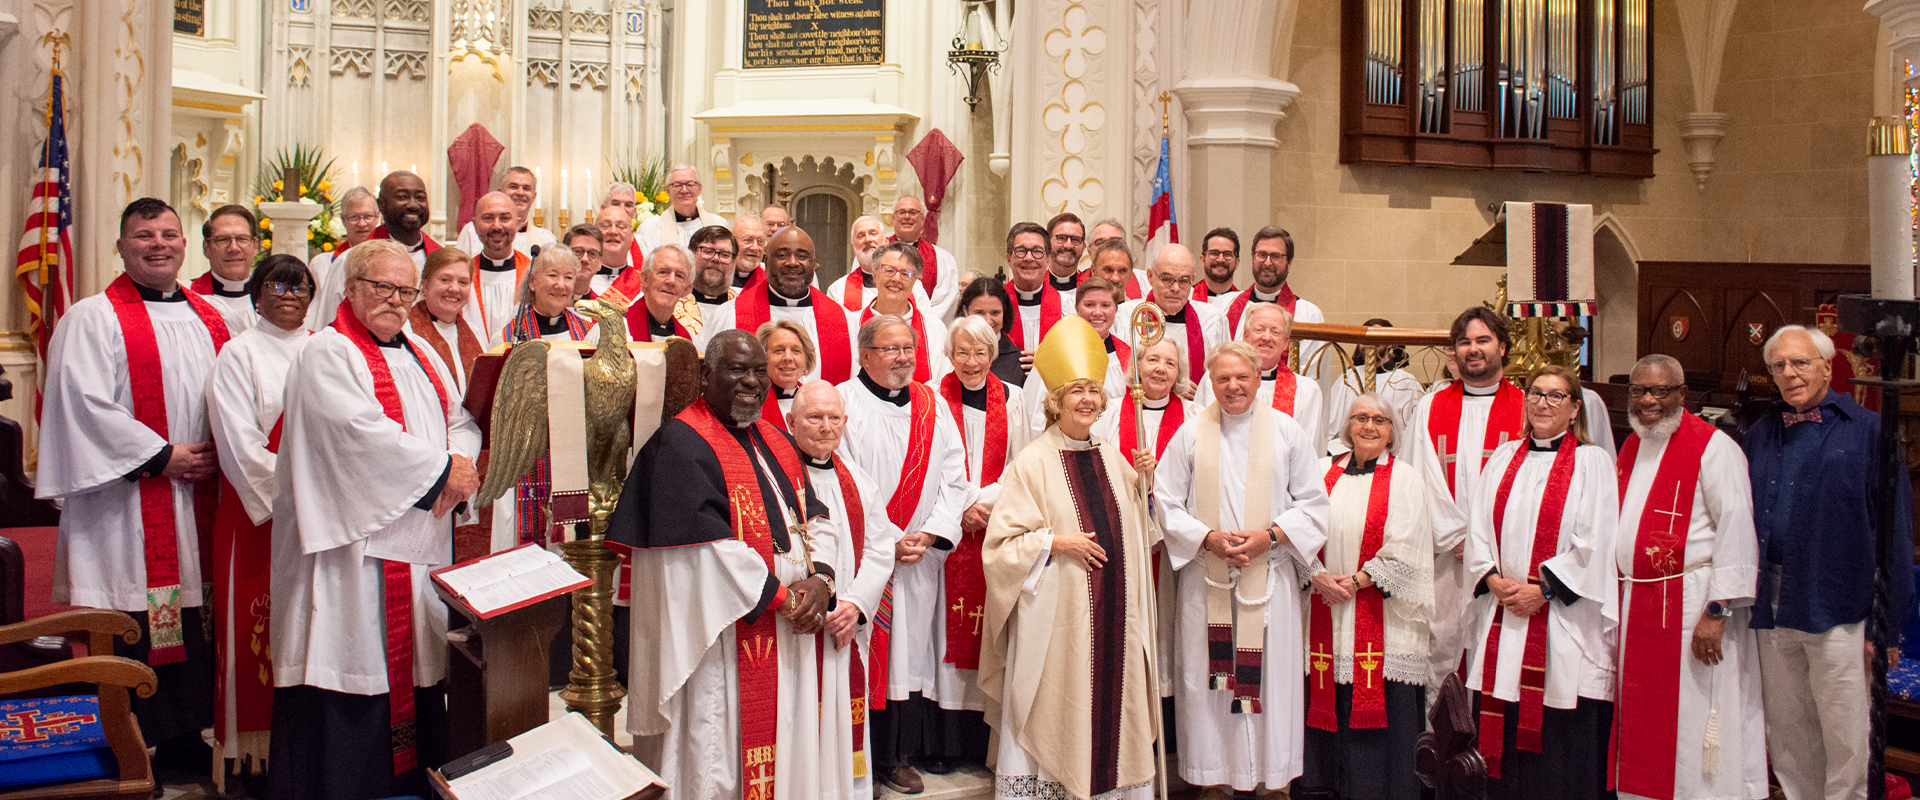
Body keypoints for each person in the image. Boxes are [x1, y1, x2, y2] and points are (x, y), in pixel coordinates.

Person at [268, 238, 481, 800]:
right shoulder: (327, 352)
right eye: (381, 287)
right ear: (351, 289)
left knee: (415, 667)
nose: (394, 300)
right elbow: (356, 437)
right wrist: (441, 471)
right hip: (351, 556)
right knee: (351, 659)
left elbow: (457, 418)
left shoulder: (420, 350)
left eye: (404, 290)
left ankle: (412, 781)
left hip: (416, 539)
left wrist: (457, 461)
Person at [38, 197, 232, 769]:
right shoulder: (92, 318)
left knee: (197, 621)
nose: (158, 244)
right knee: (139, 620)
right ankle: (131, 742)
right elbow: (83, 406)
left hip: (202, 495)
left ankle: (183, 740)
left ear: (184, 244)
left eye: (169, 233)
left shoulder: (210, 317)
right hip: (129, 503)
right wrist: (161, 456)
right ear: (120, 247)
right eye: (144, 235)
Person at [606, 329, 840, 798]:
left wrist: (822, 580)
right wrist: (783, 595)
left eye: (758, 371)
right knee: (718, 752)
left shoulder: (773, 438)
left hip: (788, 627)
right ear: (706, 375)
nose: (752, 382)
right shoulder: (680, 444)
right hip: (723, 634)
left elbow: (814, 515)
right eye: (737, 370)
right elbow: (702, 549)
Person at [979, 314, 1162, 800]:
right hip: (1058, 619)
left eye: (1093, 392)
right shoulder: (1033, 461)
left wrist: (1146, 486)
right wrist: (1057, 542)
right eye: (1076, 391)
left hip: (1115, 618)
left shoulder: (1113, 456)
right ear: (1057, 400)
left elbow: (1139, 535)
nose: (1086, 400)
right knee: (1061, 708)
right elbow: (1000, 548)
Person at [1744, 324, 1913, 800]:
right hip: (1771, 605)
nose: (1789, 374)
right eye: (1778, 366)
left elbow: (1895, 537)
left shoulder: (1870, 433)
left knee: (1845, 732)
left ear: (1826, 365)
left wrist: (1888, 629)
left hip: (1841, 604)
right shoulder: (1759, 433)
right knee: (1789, 728)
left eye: (1799, 362)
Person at [1158, 341, 1330, 798]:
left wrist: (1270, 537)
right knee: (1209, 687)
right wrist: (1208, 539)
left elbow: (1314, 503)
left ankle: (1274, 785)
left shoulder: (1287, 432)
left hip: (1268, 579)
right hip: (1208, 577)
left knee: (1272, 685)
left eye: (1242, 377)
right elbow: (1167, 502)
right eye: (1222, 378)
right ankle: (1213, 781)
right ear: (1209, 383)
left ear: (1259, 378)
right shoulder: (1191, 433)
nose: (1232, 386)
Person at [1611, 354, 1766, 800]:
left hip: (1692, 606)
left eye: (1660, 391)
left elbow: (1737, 528)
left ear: (1682, 394)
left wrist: (1717, 611)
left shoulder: (1715, 448)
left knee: (1698, 715)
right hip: (1638, 604)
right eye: (1639, 390)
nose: (1648, 401)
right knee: (1645, 717)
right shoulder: (1632, 446)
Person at [1461, 364, 1618, 800]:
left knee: (1559, 737)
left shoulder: (1592, 462)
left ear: (1574, 409)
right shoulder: (1504, 457)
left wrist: (1545, 589)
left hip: (1562, 623)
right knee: (1504, 729)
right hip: (1505, 613)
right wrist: (1490, 577)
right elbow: (1478, 529)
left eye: (1555, 396)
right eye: (1535, 393)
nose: (1542, 403)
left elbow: (1597, 540)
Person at [836, 315, 976, 795]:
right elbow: (845, 477)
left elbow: (955, 475)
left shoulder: (931, 404)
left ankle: (898, 755)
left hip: (920, 560)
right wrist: (888, 538)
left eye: (907, 349)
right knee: (865, 655)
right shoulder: (844, 403)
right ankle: (859, 755)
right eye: (890, 349)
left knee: (909, 659)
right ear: (865, 354)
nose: (901, 358)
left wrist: (933, 532)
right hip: (867, 559)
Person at [206, 253, 315, 776]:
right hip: (262, 516)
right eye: (278, 284)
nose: (290, 294)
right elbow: (238, 443)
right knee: (258, 637)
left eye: (300, 286)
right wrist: (296, 498)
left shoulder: (325, 350)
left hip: (322, 517)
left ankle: (305, 751)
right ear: (256, 293)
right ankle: (253, 760)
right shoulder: (237, 354)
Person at [1295, 395, 1434, 800]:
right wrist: (1316, 575)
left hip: (1380, 620)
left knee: (1380, 722)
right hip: (1323, 613)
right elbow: (1297, 528)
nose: (1369, 426)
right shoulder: (1320, 472)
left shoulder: (1405, 477)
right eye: (1360, 418)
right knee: (1325, 708)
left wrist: (1355, 582)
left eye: (1380, 420)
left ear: (1393, 430)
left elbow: (1407, 544)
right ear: (1346, 425)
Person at [790, 380, 901, 799]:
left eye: (834, 418)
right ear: (791, 421)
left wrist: (853, 604)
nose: (825, 427)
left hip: (844, 627)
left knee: (840, 717)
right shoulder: (777, 472)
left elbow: (879, 547)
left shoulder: (857, 477)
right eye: (815, 417)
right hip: (796, 626)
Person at [1406, 306, 1514, 691]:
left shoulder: (1524, 409)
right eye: (1465, 341)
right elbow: (1416, 478)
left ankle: (1488, 747)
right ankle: (1440, 748)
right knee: (1442, 649)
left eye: (1483, 340)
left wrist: (1481, 543)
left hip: (1504, 561)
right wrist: (1454, 536)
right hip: (1445, 559)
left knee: (1495, 650)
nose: (1474, 349)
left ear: (1502, 346)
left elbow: (1528, 488)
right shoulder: (1430, 407)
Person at [700, 225, 858, 384]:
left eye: (802, 256)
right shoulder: (729, 315)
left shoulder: (844, 320)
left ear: (814, 264)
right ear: (767, 261)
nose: (792, 263)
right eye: (782, 255)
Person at [1196, 303, 1327, 452]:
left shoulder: (1306, 391)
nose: (1266, 337)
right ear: (1245, 336)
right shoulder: (1215, 380)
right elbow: (1200, 433)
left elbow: (1308, 452)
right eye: (1259, 330)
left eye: (1275, 332)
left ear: (1285, 342)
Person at [1022, 277, 1127, 443]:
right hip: (1063, 447)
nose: (1097, 312)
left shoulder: (1128, 357)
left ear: (1116, 310)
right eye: (1089, 305)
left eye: (1105, 305)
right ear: (1076, 308)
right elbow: (1034, 416)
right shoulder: (1056, 351)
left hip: (1113, 449)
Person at [1119, 244, 1228, 387]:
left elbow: (1225, 373)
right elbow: (1116, 377)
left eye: (1184, 280)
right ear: (1150, 277)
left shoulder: (1212, 319)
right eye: (1167, 278)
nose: (1175, 288)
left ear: (1192, 280)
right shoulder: (1125, 316)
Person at [1324, 319, 1424, 455]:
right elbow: (1331, 425)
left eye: (1376, 336)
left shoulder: (1405, 381)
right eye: (1364, 338)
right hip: (1348, 451)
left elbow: (1410, 432)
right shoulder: (1349, 377)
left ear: (1390, 343)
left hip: (1391, 453)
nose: (1369, 344)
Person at [858, 242, 947, 383]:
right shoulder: (852, 324)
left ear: (914, 282)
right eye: (888, 270)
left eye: (906, 273)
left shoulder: (935, 330)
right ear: (874, 276)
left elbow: (942, 383)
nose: (896, 279)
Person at [407, 247, 484, 394]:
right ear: (425, 285)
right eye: (445, 280)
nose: (454, 288)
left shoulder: (474, 332)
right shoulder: (406, 331)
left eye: (463, 282)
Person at [462, 191, 530, 348]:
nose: (497, 226)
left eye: (505, 218)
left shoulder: (532, 274)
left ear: (518, 223)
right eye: (488, 218)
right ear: (474, 224)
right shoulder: (462, 275)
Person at [309, 186, 381, 330]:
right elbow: (315, 314)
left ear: (377, 216)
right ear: (343, 219)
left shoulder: (389, 261)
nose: (362, 223)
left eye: (367, 216)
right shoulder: (322, 264)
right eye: (354, 217)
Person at [454, 166, 556, 259]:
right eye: (513, 186)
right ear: (500, 192)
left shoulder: (545, 238)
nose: (520, 192)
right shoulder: (473, 232)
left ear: (534, 197)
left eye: (526, 188)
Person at [502, 246, 597, 346]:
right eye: (552, 275)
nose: (561, 285)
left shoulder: (588, 334)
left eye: (568, 277)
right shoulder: (509, 337)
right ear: (532, 281)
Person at [192, 203, 262, 336]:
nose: (233, 248)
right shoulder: (188, 298)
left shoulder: (270, 300)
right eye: (223, 239)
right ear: (206, 248)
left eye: (242, 239)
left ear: (255, 246)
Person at [891, 196, 961, 320]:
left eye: (913, 212)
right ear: (893, 218)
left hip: (925, 328)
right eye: (902, 212)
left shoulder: (942, 259)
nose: (907, 216)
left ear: (922, 219)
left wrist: (918, 322)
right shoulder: (876, 254)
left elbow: (945, 300)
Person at [635, 165, 729, 253]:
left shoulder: (719, 224)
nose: (684, 190)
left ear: (699, 188)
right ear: (667, 190)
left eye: (690, 184)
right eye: (677, 185)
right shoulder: (650, 227)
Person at [1004, 222, 1065, 355]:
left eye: (1037, 251)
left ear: (1048, 260)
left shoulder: (1066, 307)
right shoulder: (997, 305)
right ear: (1009, 259)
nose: (1029, 258)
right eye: (1021, 251)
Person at [959, 276, 1029, 387]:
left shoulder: (1020, 364)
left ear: (1004, 313)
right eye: (979, 313)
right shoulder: (952, 354)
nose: (987, 320)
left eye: (995, 313)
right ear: (965, 311)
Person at [620, 244, 696, 343]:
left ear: (687, 289)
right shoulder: (617, 328)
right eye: (663, 272)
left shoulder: (688, 340)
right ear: (645, 279)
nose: (671, 281)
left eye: (679, 276)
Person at [757, 319, 816, 429]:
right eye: (778, 351)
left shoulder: (816, 401)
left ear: (806, 359)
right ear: (764, 358)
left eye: (796, 351)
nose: (788, 358)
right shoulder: (752, 404)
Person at [830, 215, 891, 311]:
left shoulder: (911, 285)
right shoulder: (837, 290)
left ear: (886, 242)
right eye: (861, 236)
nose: (867, 239)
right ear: (853, 247)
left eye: (873, 233)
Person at [687, 224, 740, 322]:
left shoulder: (742, 307)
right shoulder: (672, 302)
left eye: (725, 255)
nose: (716, 259)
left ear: (734, 263)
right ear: (691, 255)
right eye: (708, 251)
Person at [593, 203, 640, 295]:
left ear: (631, 236)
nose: (613, 231)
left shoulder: (644, 285)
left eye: (621, 226)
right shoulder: (582, 280)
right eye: (606, 225)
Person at [1044, 212, 1089, 304]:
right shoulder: (1034, 286)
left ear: (1083, 247)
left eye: (1076, 239)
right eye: (1061, 238)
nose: (1068, 245)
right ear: (1047, 243)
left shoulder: (1092, 288)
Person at [1197, 227, 1242, 304]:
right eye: (1214, 253)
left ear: (1237, 262)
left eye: (1227, 254)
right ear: (1203, 260)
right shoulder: (1187, 299)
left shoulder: (1245, 304)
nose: (1220, 260)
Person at [564, 224, 606, 299]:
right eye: (577, 251)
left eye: (593, 254)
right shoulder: (541, 304)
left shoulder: (604, 309)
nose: (585, 259)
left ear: (600, 262)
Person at [731, 214, 770, 288]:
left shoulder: (770, 278)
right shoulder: (719, 274)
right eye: (748, 240)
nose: (755, 247)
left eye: (760, 241)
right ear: (731, 241)